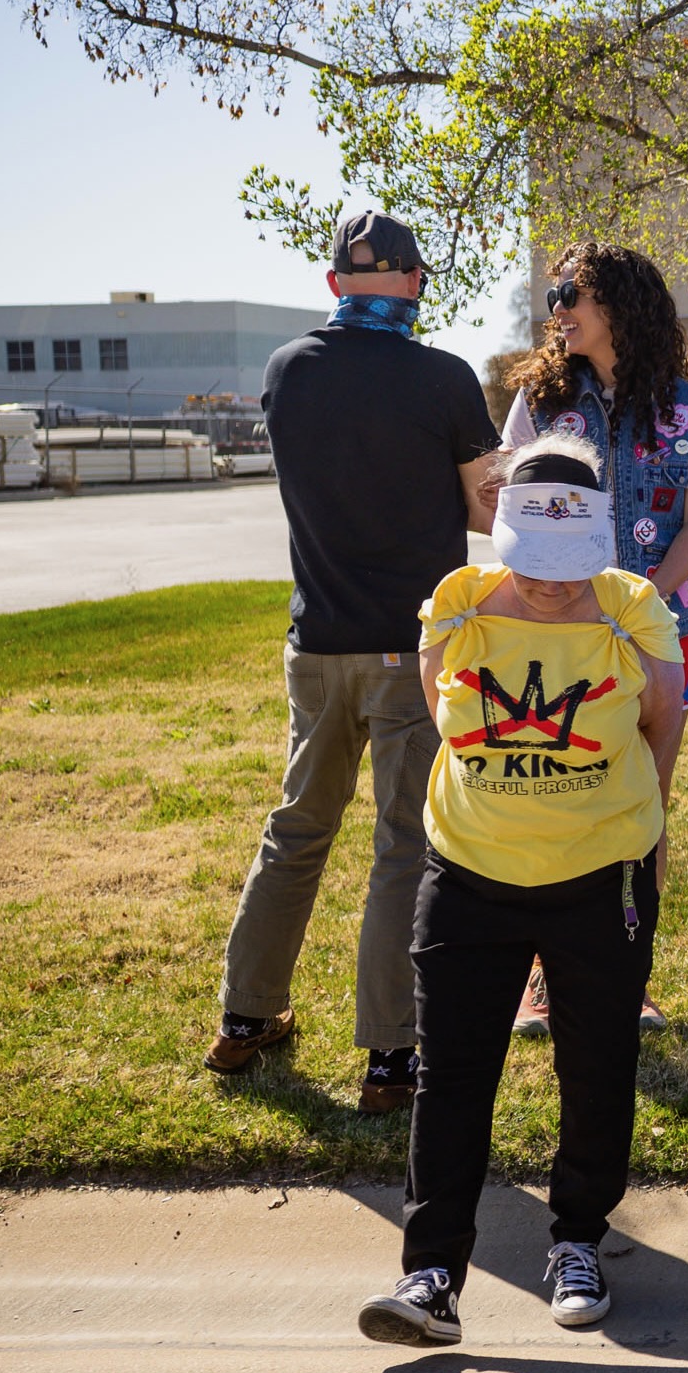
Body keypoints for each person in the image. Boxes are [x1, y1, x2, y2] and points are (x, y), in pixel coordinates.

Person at [356, 435, 685, 1346]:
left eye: (571, 570)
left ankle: (578, 1239)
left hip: (598, 880)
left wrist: (638, 837)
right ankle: (430, 1277)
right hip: (469, 874)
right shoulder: (455, 607)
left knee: (597, 1066)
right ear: (500, 532)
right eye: (534, 567)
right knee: (453, 1076)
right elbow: (446, 721)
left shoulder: (634, 611)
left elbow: (663, 723)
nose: (551, 586)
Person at [208, 212, 501, 1114]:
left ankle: (245, 1018)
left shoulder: (286, 371)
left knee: (295, 830)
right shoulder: (443, 378)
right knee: (403, 851)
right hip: (408, 647)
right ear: (412, 282)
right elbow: (491, 513)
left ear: (337, 285)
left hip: (316, 645)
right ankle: (389, 1058)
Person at [501, 241, 688, 1039]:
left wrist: (640, 600)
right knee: (552, 803)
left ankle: (627, 980)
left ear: (619, 305)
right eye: (554, 292)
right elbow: (505, 505)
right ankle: (542, 984)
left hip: (658, 637)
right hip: (553, 637)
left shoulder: (687, 407)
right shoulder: (537, 402)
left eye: (572, 292)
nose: (557, 307)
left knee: (643, 809)